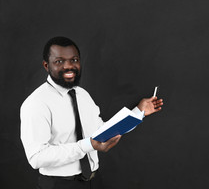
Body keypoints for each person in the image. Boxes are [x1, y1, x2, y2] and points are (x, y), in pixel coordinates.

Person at [20, 36, 163, 189]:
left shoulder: (82, 95)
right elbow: (36, 157)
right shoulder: (36, 103)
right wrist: (87, 146)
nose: (69, 66)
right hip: (59, 185)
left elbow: (101, 132)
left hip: (93, 181)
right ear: (46, 65)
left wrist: (139, 111)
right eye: (59, 61)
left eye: (74, 60)